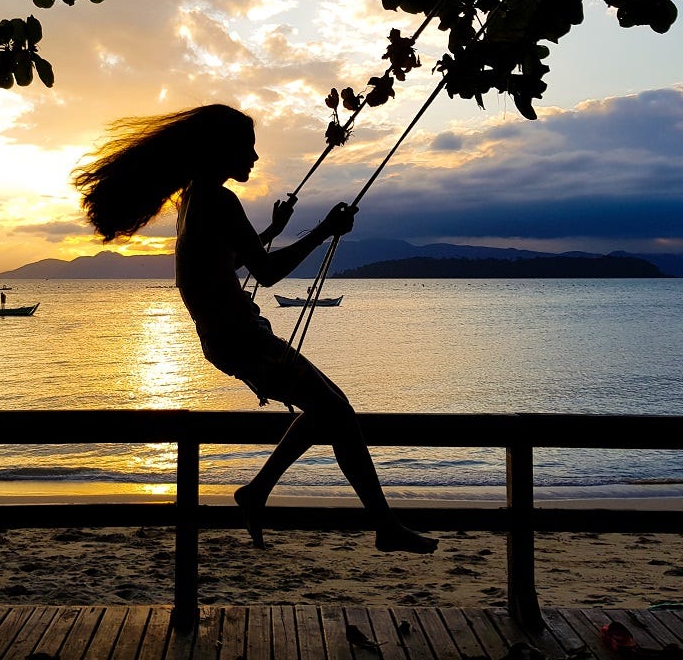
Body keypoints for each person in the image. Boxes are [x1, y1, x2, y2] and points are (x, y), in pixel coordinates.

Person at [73, 104, 437, 554]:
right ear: (220, 150)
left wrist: (271, 230)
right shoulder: (217, 199)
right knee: (337, 412)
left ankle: (259, 493)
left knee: (329, 408)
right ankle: (381, 526)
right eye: (247, 147)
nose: (255, 157)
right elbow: (266, 273)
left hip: (231, 341)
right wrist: (324, 230)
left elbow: (225, 258)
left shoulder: (194, 197)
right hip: (242, 341)